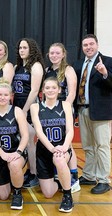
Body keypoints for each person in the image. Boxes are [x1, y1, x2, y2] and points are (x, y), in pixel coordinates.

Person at [73, 34, 112, 194]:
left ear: (97, 44)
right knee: (88, 146)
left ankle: (103, 179)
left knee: (101, 146)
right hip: (82, 109)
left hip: (100, 111)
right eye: (85, 45)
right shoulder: (78, 64)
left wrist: (105, 73)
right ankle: (89, 175)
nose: (88, 47)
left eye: (91, 44)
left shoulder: (108, 61)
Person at [30, 77, 74, 213]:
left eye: (54, 87)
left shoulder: (65, 105)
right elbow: (39, 132)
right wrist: (52, 148)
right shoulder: (35, 107)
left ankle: (68, 196)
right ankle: (61, 179)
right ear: (42, 90)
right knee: (48, 194)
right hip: (44, 151)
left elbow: (70, 130)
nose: (50, 90)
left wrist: (64, 147)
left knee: (59, 159)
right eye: (47, 88)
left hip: (62, 149)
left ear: (59, 90)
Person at [0, 79, 29, 210]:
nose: (2, 97)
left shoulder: (17, 111)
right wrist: (2, 154)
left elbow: (25, 135)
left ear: (11, 96)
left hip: (16, 152)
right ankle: (12, 179)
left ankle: (17, 194)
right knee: (3, 196)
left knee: (14, 164)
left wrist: (18, 152)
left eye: (5, 95)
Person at [45, 42, 80, 193]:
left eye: (57, 53)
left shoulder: (68, 69)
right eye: (52, 53)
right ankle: (60, 174)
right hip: (50, 110)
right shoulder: (47, 70)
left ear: (63, 54)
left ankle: (74, 177)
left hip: (64, 110)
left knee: (68, 143)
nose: (54, 56)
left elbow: (72, 93)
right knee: (55, 141)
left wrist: (64, 109)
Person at [12, 38, 44, 188]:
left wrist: (24, 110)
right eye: (20, 48)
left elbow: (35, 91)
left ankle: (34, 173)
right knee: (23, 141)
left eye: (25, 47)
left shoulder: (35, 66)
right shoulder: (18, 67)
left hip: (29, 106)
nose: (22, 50)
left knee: (30, 140)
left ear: (32, 49)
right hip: (18, 105)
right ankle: (29, 170)